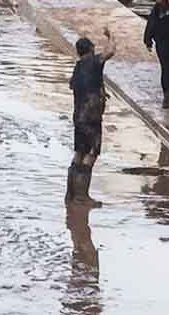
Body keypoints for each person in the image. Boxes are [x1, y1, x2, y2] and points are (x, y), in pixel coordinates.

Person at [67, 27, 117, 207]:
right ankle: (82, 197)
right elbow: (110, 51)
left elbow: (79, 86)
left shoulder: (78, 67)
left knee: (79, 153)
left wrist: (101, 92)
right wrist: (111, 35)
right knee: (92, 153)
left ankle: (70, 194)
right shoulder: (94, 62)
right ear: (90, 50)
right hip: (92, 118)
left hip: (78, 117)